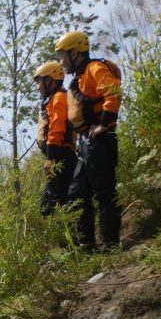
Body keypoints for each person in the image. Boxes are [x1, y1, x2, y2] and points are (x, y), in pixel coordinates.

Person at [56, 30, 122, 251]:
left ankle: (110, 243)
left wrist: (104, 123)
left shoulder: (94, 68)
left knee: (104, 192)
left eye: (63, 56)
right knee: (77, 194)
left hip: (99, 140)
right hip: (85, 144)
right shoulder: (79, 78)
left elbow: (113, 93)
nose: (61, 62)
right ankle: (87, 245)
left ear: (75, 53)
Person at [33, 61, 77, 217]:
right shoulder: (53, 99)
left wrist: (51, 159)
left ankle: (74, 239)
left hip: (61, 156)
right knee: (56, 202)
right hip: (59, 155)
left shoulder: (59, 97)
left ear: (50, 79)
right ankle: (68, 239)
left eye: (39, 81)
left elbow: (57, 129)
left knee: (55, 203)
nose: (38, 86)